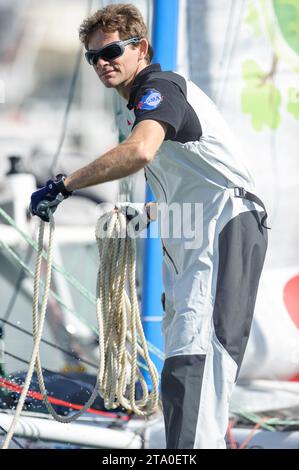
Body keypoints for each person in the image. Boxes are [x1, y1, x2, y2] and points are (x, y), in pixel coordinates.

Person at [29, 3, 268, 449]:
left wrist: (65, 186)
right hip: (200, 234)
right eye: (93, 57)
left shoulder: (159, 88)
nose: (103, 63)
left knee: (197, 362)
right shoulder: (140, 107)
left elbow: (139, 153)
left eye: (112, 51)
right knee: (182, 364)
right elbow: (192, 190)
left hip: (223, 232)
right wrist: (137, 219)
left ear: (141, 48)